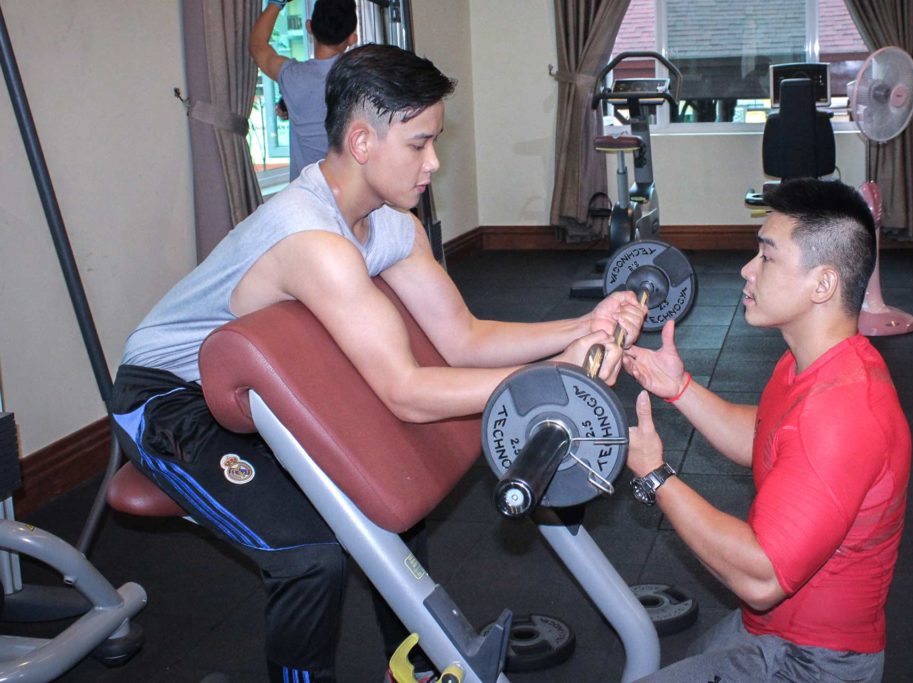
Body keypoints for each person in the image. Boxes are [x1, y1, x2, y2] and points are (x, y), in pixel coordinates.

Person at [110, 44, 645, 683]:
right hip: (170, 401)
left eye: (434, 142)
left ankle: (414, 668)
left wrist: (582, 327)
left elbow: (464, 339)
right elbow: (406, 392)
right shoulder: (311, 240)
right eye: (419, 145)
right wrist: (549, 376)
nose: (434, 162)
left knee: (390, 493)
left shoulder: (393, 223)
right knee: (309, 555)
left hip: (262, 390)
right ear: (362, 142)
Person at [622, 178, 911, 682]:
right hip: (770, 631)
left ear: (823, 284)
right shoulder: (813, 361)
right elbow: (766, 437)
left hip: (813, 662)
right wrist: (679, 388)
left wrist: (655, 476)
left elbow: (761, 576)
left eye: (767, 258)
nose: (747, 270)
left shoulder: (845, 412)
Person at [250, 0, 358, 180]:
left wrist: (277, 3)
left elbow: (257, 46)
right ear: (352, 37)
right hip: (351, 195)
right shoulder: (361, 77)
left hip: (306, 197)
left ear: (309, 27)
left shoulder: (291, 76)